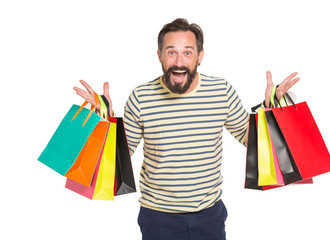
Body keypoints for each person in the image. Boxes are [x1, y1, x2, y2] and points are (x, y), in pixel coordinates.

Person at [74, 18, 299, 240]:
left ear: (200, 57)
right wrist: (102, 119)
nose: (179, 61)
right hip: (157, 218)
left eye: (188, 52)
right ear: (160, 55)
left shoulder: (221, 91)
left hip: (210, 216)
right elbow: (121, 155)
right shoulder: (141, 96)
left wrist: (271, 108)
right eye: (171, 52)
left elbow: (250, 138)